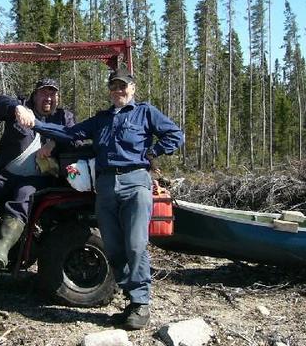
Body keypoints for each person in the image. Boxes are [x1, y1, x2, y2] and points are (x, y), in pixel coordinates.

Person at [17, 67, 183, 330]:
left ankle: (141, 304)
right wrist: (37, 125)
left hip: (135, 183)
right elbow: (69, 134)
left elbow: (175, 135)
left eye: (123, 86)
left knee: (136, 244)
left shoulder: (145, 113)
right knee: (114, 247)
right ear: (109, 90)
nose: (119, 90)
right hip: (105, 186)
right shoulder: (101, 119)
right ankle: (131, 301)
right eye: (114, 86)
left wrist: (154, 151)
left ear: (133, 89)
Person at [0, 78, 76, 272]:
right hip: (3, 174)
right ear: (35, 95)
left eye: (52, 94)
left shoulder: (63, 117)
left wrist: (54, 144)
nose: (48, 98)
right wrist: (17, 108)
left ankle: (1, 250)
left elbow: (74, 137)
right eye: (44, 93)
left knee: (24, 196)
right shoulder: (21, 108)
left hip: (37, 178)